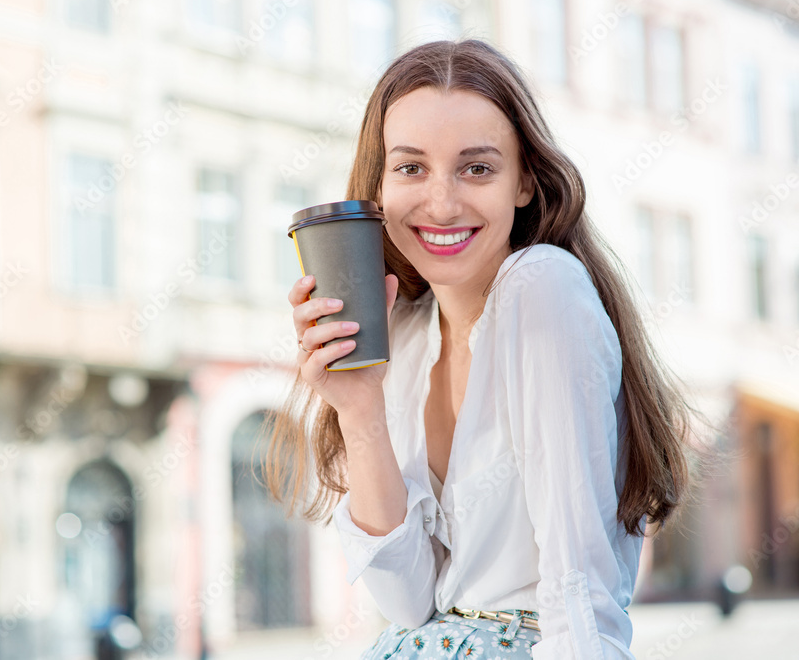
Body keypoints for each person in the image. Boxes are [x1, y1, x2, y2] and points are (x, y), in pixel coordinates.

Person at [264, 39, 698, 659]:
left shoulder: (540, 287)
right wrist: (360, 410)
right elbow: (408, 601)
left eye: (477, 168)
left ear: (524, 181)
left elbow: (579, 586)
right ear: (379, 188)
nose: (441, 203)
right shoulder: (405, 334)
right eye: (411, 168)